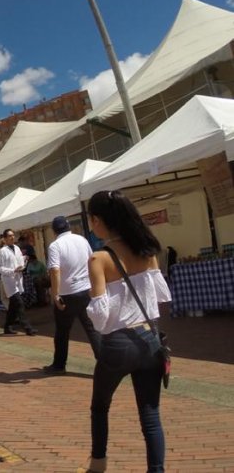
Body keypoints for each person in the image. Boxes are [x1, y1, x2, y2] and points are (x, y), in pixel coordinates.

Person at [83, 191, 170, 473]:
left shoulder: (99, 259)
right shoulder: (147, 250)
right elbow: (159, 298)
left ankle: (98, 463)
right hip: (149, 339)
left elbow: (100, 318)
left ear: (97, 220)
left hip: (118, 344)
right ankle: (156, 470)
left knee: (100, 406)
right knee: (151, 415)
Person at [43, 216, 101, 374]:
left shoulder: (55, 246)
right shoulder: (81, 239)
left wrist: (55, 294)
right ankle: (104, 364)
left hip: (68, 293)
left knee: (62, 331)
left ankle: (59, 365)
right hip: (86, 289)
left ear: (54, 231)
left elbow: (55, 270)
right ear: (68, 226)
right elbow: (92, 260)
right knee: (92, 329)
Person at [0, 230, 35, 335]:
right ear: (5, 238)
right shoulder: (2, 251)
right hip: (9, 280)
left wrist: (23, 261)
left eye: (13, 235)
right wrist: (12, 271)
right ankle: (27, 328)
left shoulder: (17, 248)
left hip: (18, 279)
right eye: (9, 236)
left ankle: (7, 327)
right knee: (19, 303)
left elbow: (19, 261)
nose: (12, 237)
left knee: (13, 307)